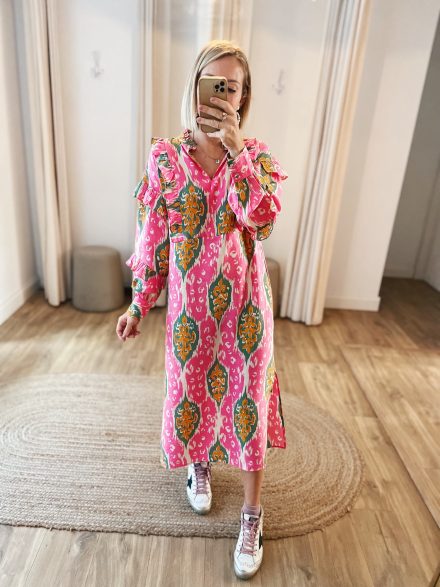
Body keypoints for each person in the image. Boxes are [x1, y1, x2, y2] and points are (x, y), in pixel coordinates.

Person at [116, 39, 288, 580]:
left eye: (230, 88)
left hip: (246, 312)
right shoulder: (165, 158)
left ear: (242, 98)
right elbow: (154, 237)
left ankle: (252, 516)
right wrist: (138, 302)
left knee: (248, 404)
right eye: (211, 83)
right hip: (190, 313)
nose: (219, 95)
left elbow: (262, 219)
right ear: (194, 86)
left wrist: (237, 155)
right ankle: (200, 465)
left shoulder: (255, 156)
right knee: (192, 391)